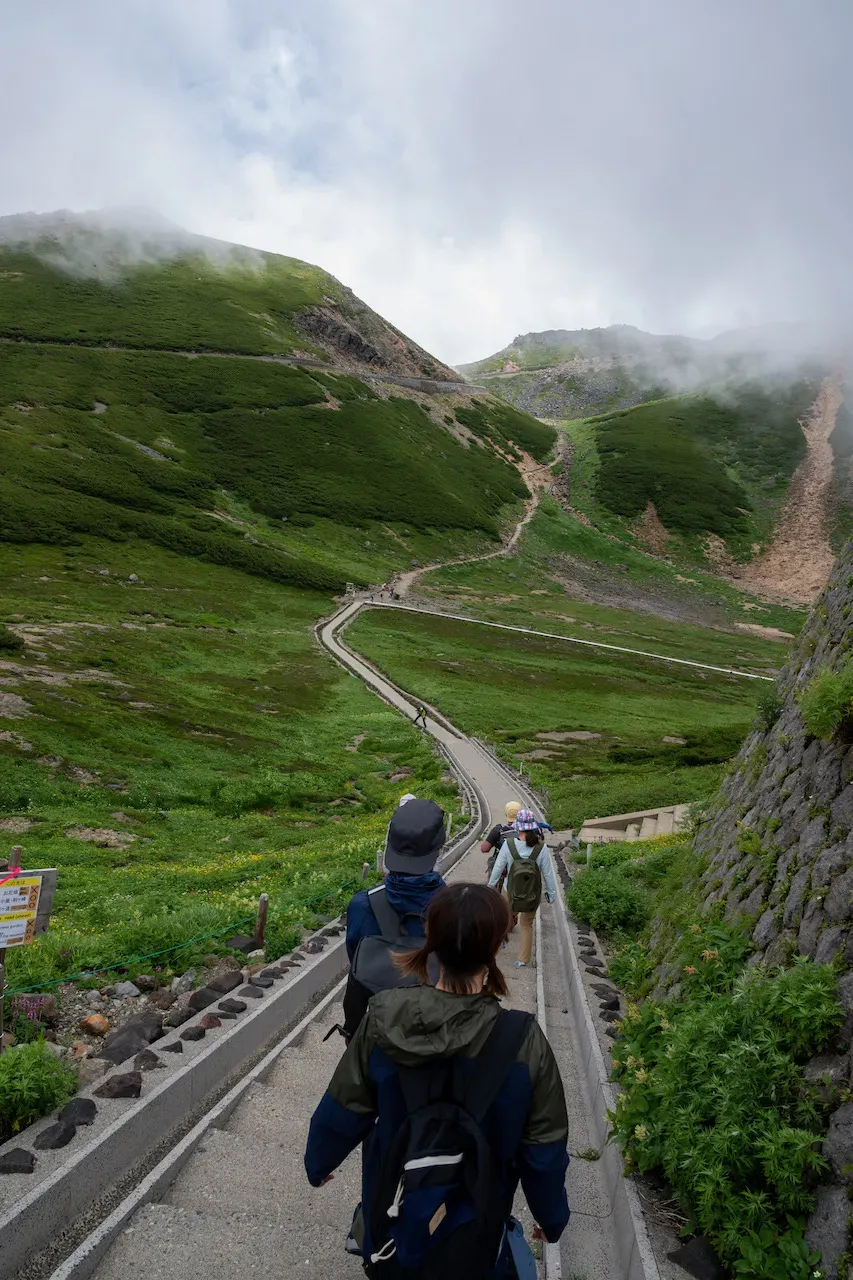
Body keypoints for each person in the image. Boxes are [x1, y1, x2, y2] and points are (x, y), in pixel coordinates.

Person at [305, 884, 570, 1277]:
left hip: (393, 1203)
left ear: (430, 940)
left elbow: (347, 1101)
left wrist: (321, 1160)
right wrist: (551, 1217)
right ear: (497, 948)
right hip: (477, 1222)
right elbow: (543, 1146)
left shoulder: (383, 1017)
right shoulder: (524, 1042)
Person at [341, 798, 446, 1039]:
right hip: (434, 1033)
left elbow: (356, 957)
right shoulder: (458, 905)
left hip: (379, 1028)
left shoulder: (362, 904)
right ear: (439, 848)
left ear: (390, 844)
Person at [488, 810, 558, 969]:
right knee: (526, 925)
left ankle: (493, 951)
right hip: (532, 894)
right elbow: (547, 873)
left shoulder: (509, 844)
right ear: (533, 827)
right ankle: (522, 960)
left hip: (509, 890)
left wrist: (490, 887)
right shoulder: (541, 848)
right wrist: (551, 893)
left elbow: (498, 868)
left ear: (518, 827)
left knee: (503, 922)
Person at [480, 800, 522, 890]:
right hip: (521, 867)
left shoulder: (499, 830)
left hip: (502, 868)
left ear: (506, 814)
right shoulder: (526, 831)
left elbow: (484, 849)